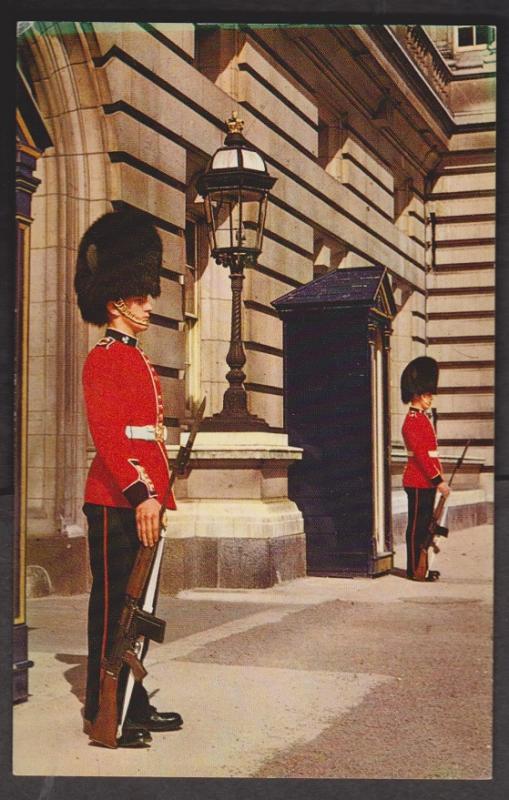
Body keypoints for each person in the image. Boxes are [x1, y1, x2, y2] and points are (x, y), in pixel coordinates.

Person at [74, 208, 183, 747]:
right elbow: (109, 435)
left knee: (139, 610)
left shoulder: (138, 359)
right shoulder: (103, 359)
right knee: (116, 606)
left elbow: (146, 434)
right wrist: (142, 494)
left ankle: (133, 704)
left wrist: (161, 495)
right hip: (116, 499)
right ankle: (104, 712)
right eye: (141, 298)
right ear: (117, 301)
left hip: (144, 499)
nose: (148, 304)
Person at [400, 356, 450, 582]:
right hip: (418, 480)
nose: (430, 399)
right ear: (417, 394)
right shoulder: (412, 421)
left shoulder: (421, 419)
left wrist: (437, 478)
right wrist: (438, 480)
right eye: (428, 395)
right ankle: (414, 570)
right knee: (418, 527)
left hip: (425, 480)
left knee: (426, 527)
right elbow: (421, 456)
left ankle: (423, 568)